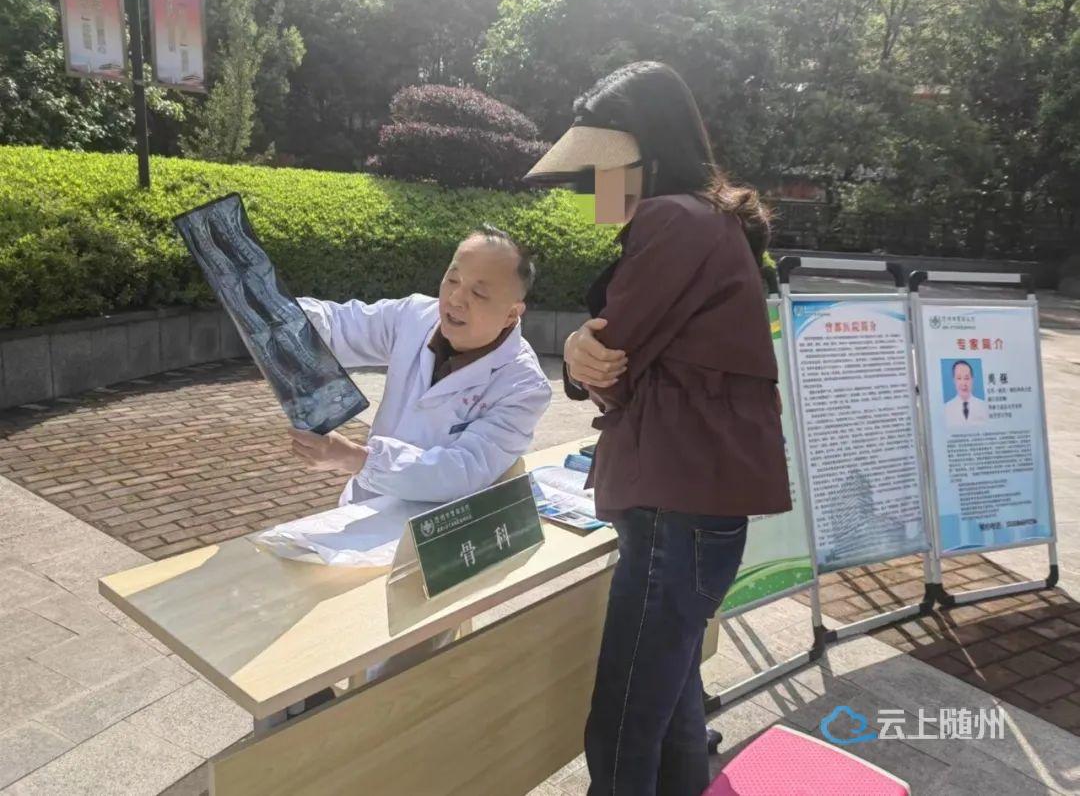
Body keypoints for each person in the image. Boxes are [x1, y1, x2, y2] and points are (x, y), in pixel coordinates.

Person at [524, 62, 791, 796]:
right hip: (700, 512)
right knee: (671, 707)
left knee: (621, 727)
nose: (591, 190)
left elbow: (607, 359)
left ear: (646, 152)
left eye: (599, 172)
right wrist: (583, 353)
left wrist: (580, 353)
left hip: (674, 515)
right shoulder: (712, 221)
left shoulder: (671, 220)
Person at [288, 225, 552, 505]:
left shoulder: (524, 387)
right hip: (363, 507)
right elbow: (338, 325)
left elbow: (462, 471)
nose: (455, 299)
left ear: (511, 314)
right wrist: (279, 312)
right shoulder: (413, 316)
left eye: (478, 293)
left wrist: (359, 459)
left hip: (437, 523)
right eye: (452, 280)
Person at [944, 359, 988, 427]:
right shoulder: (946, 409)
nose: (963, 383)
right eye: (959, 378)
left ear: (972, 379)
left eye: (966, 378)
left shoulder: (983, 406)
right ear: (954, 380)